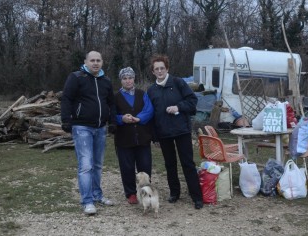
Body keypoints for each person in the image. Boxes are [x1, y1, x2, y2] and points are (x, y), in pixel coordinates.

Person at [61, 51, 116, 215]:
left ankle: (97, 195)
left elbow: (111, 103)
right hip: (81, 127)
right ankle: (87, 201)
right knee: (86, 166)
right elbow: (66, 98)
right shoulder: (77, 77)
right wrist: (66, 119)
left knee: (98, 165)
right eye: (92, 60)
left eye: (98, 60)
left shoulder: (106, 81)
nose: (95, 63)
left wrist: (112, 122)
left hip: (100, 128)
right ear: (85, 61)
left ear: (102, 62)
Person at [147, 54, 203, 209]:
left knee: (188, 164)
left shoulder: (178, 83)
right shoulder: (151, 91)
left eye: (162, 68)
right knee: (170, 164)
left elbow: (192, 101)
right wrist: (154, 136)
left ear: (167, 69)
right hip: (164, 133)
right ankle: (174, 192)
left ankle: (196, 196)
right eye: (156, 69)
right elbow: (151, 114)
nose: (159, 71)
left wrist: (179, 107)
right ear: (153, 71)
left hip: (182, 130)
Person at [114, 67, 154, 204]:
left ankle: (146, 190)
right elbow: (111, 115)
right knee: (127, 167)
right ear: (121, 80)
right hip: (124, 139)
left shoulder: (142, 94)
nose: (128, 80)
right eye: (125, 78)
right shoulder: (116, 97)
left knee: (145, 166)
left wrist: (140, 118)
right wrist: (121, 119)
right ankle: (130, 193)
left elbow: (149, 110)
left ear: (134, 78)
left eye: (130, 77)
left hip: (142, 137)